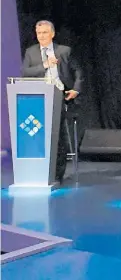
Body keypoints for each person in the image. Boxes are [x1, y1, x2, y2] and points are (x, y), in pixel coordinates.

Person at [21, 20, 84, 184]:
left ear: (52, 34)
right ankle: (35, 170)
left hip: (61, 98)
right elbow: (25, 72)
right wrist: (45, 65)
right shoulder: (30, 52)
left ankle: (57, 174)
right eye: (39, 33)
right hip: (37, 100)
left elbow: (78, 71)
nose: (41, 36)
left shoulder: (64, 51)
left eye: (45, 33)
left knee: (57, 134)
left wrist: (76, 90)